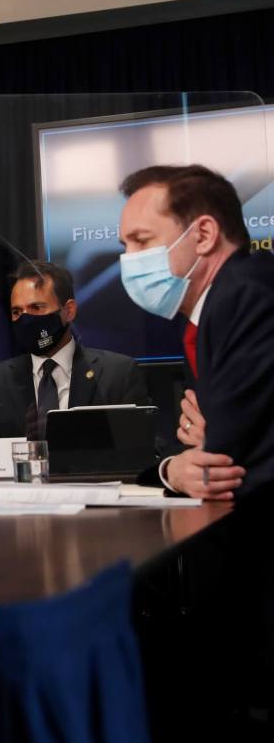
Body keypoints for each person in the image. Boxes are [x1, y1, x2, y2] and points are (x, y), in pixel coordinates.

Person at [118, 164, 274, 500]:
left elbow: (220, 459)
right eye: (125, 245)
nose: (127, 259)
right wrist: (173, 467)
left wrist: (205, 443)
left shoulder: (248, 296)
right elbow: (193, 442)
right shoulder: (210, 309)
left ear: (203, 235)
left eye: (142, 240)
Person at [0, 261, 148, 438]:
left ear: (69, 311)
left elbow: (145, 447)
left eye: (36, 308)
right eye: (17, 312)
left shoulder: (118, 374)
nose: (25, 319)